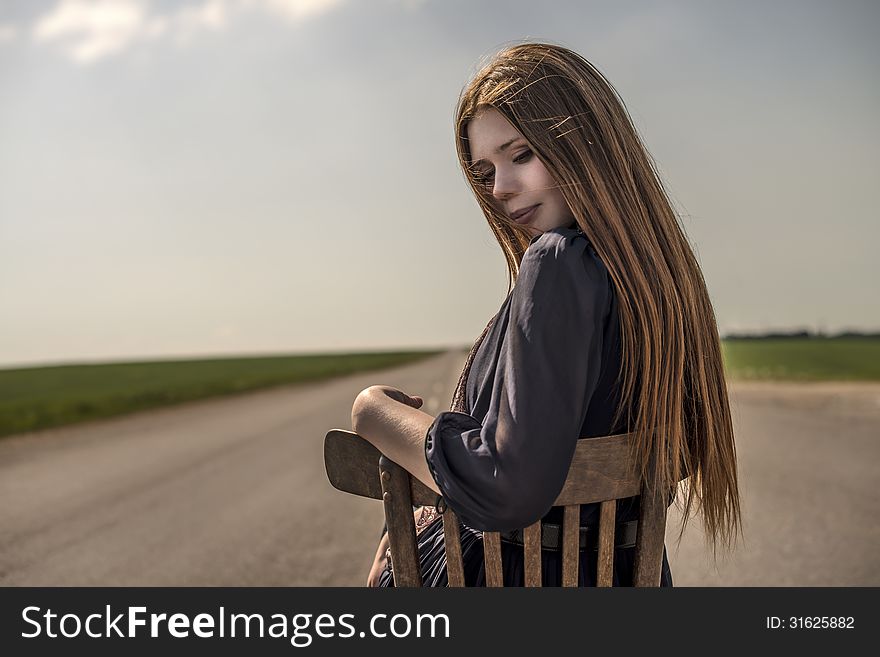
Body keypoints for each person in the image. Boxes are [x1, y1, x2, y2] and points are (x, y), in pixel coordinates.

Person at [351, 41, 742, 587]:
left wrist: (372, 414)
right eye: (486, 171)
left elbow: (506, 482)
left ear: (586, 144)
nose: (502, 189)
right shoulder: (657, 280)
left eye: (522, 155)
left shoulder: (557, 263)